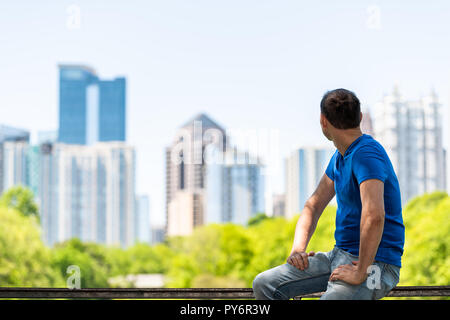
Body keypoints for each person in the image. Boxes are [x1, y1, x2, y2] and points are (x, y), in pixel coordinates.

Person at [253, 88, 405, 300]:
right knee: (265, 284)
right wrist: (298, 250)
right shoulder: (340, 157)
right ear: (359, 117)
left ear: (323, 121)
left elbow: (374, 216)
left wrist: (362, 270)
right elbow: (313, 206)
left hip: (377, 265)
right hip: (339, 256)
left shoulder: (366, 154)